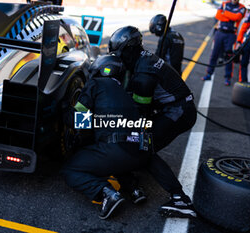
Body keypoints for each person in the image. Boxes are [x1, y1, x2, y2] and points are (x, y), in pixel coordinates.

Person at [108, 26, 197, 218]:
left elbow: (141, 115)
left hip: (178, 112)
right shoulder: (143, 57)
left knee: (143, 147)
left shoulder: (143, 76)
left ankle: (180, 199)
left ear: (129, 49)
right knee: (140, 144)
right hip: (177, 107)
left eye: (120, 54)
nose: (119, 59)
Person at [61, 55, 147, 220]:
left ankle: (106, 193)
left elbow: (79, 121)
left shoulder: (96, 84)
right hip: (138, 154)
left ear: (99, 68)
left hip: (115, 151)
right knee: (116, 156)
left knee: (70, 169)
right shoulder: (126, 94)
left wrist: (65, 109)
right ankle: (133, 189)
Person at [201, 0, 246, 86]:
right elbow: (218, 15)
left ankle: (227, 78)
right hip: (220, 33)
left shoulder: (242, 8)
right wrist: (230, 17)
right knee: (214, 54)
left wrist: (224, 13)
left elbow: (236, 18)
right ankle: (209, 74)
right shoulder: (224, 4)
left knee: (229, 56)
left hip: (231, 35)